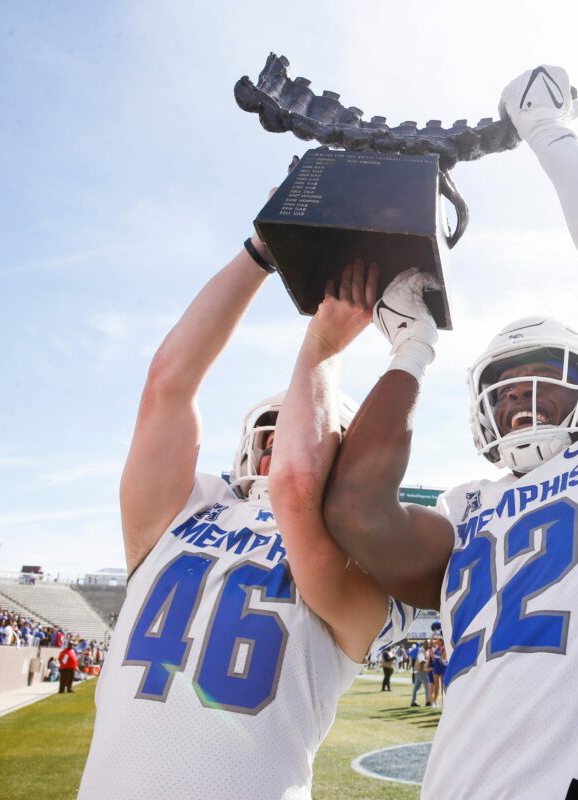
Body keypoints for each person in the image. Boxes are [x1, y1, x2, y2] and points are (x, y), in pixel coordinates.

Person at [324, 66, 578, 797]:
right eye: (503, 390)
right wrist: (410, 347)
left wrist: (549, 133)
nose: (517, 402)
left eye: (538, 379)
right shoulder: (467, 506)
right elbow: (355, 511)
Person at [77, 215, 409, 799]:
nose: (281, 445)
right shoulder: (182, 510)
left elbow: (298, 487)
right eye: (272, 434)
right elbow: (167, 383)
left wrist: (326, 346)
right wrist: (262, 250)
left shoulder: (354, 562)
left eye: (303, 430)